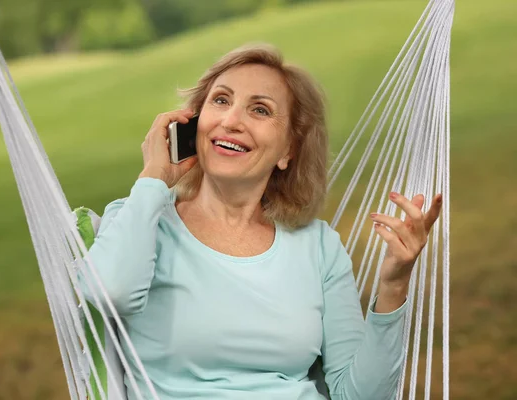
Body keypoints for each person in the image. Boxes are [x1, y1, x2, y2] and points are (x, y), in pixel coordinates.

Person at [86, 43, 443, 400]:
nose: (231, 121)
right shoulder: (141, 217)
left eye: (260, 110)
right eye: (221, 101)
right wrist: (153, 178)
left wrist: (394, 284)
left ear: (288, 150)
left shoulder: (318, 246)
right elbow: (109, 295)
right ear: (194, 122)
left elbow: (359, 396)